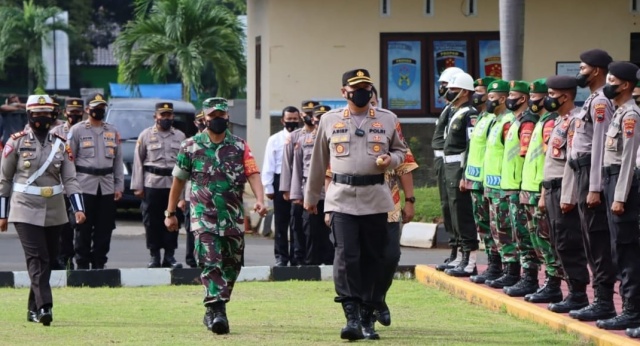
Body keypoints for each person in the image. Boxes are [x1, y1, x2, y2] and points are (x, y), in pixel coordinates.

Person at [304, 68, 407, 341]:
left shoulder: (387, 118)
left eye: (366, 87)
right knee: (346, 257)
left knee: (375, 257)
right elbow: (318, 161)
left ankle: (368, 316)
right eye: (356, 87)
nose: (362, 92)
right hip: (341, 197)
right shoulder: (329, 120)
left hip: (376, 197)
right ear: (344, 92)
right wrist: (312, 197)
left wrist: (391, 160)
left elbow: (401, 151)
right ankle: (351, 316)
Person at [164, 97, 267, 335]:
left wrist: (260, 199)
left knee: (232, 265)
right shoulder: (190, 146)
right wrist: (170, 212)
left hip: (232, 217)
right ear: (204, 118)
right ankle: (218, 310)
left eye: (221, 115)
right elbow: (178, 180)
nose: (217, 120)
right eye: (212, 116)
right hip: (203, 216)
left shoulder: (240, 146)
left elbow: (253, 174)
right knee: (211, 262)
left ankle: (213, 308)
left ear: (227, 117)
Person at [0, 94, 86, 326]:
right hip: (24, 208)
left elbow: (70, 179)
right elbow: (4, 180)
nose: (42, 118)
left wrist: (78, 208)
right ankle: (45, 307)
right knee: (38, 257)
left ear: (53, 115)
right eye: (37, 113)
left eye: (46, 113)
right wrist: (2, 213)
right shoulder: (15, 142)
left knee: (47, 258)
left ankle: (32, 309)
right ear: (29, 115)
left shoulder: (61, 143)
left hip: (54, 209)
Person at [561, 49, 617, 322]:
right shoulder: (592, 100)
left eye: (582, 68)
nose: (579, 72)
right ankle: (598, 300)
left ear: (596, 70)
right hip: (581, 173)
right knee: (588, 240)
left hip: (591, 174)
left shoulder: (601, 103)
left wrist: (595, 187)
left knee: (597, 240)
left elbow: (599, 148)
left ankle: (604, 302)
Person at [368, 86, 418, 327]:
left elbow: (405, 164)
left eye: (373, 100)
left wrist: (410, 200)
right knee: (361, 259)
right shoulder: (343, 125)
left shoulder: (390, 124)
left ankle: (378, 298)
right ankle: (363, 309)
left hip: (389, 205)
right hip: (357, 206)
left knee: (390, 256)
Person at [595, 62, 640, 331]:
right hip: (612, 180)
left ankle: (633, 311)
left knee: (626, 250)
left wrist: (620, 196)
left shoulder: (631, 115)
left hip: (624, 184)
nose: (606, 84)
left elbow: (629, 160)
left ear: (624, 85)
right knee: (617, 249)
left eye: (611, 80)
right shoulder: (618, 113)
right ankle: (628, 309)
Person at [541, 75, 591, 314]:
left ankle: (578, 294)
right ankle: (571, 290)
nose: (548, 99)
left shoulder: (574, 122)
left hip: (564, 188)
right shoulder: (559, 121)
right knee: (557, 243)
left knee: (568, 242)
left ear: (566, 95)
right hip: (551, 187)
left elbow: (572, 161)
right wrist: (543, 194)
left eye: (552, 95)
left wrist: (568, 196)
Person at [519, 79, 564, 303]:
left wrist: (544, 191)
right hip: (529, 188)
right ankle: (547, 281)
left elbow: (550, 157)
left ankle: (554, 283)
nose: (532, 102)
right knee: (536, 240)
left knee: (546, 239)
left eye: (537, 97)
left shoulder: (549, 123)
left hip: (539, 188)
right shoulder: (541, 120)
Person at [68, 93, 124, 270]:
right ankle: (82, 264)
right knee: (82, 227)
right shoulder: (77, 130)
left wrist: (119, 185)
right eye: (95, 107)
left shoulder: (112, 130)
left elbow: (118, 160)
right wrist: (72, 188)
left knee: (104, 228)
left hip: (106, 186)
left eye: (102, 107)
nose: (99, 110)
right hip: (84, 185)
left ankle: (100, 262)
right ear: (87, 109)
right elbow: (69, 160)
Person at [132, 102, 186, 269]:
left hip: (173, 185)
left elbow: (185, 166)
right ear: (155, 116)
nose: (166, 118)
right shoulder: (145, 135)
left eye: (169, 115)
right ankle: (154, 256)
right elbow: (138, 161)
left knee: (174, 220)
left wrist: (183, 195)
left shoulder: (180, 137)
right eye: (162, 115)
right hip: (152, 184)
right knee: (152, 221)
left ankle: (170, 256)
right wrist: (138, 186)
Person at [436, 72, 479, 277]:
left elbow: (470, 146)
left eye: (453, 89)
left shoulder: (469, 114)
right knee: (452, 211)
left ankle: (469, 259)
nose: (449, 91)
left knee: (462, 213)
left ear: (464, 92)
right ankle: (459, 255)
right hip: (448, 166)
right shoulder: (454, 111)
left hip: (459, 168)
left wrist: (465, 174)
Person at [463, 76, 502, 284]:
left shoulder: (496, 120)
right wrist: (466, 176)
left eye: (481, 92)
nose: (477, 95)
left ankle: (498, 266)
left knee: (496, 227)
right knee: (483, 226)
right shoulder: (482, 118)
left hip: (490, 181)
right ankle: (492, 264)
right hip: (475, 179)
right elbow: (473, 150)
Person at [482, 80, 519, 289]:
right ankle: (499, 268)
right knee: (495, 229)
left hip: (502, 184)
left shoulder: (507, 122)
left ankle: (511, 271)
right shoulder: (495, 120)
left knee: (505, 229)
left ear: (503, 99)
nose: (487, 100)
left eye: (492, 97)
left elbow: (510, 155)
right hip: (491, 183)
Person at [290, 104, 334, 265]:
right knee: (310, 232)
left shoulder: (339, 138)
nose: (320, 122)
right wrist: (296, 195)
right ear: (313, 119)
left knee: (332, 232)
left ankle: (332, 263)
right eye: (318, 118)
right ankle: (311, 265)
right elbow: (297, 169)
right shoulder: (303, 140)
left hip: (334, 193)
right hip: (312, 194)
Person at [279, 100, 320, 264]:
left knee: (315, 229)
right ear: (302, 115)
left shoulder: (323, 134)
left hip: (320, 190)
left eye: (313, 114)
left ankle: (315, 259)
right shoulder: (294, 137)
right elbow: (288, 165)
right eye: (307, 114)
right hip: (299, 189)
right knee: (297, 227)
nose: (309, 117)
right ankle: (298, 259)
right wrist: (288, 189)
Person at [432, 66, 465, 271]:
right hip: (442, 161)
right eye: (443, 86)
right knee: (447, 206)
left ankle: (460, 252)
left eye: (447, 86)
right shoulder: (448, 108)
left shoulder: (460, 111)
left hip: (453, 162)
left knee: (456, 208)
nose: (443, 90)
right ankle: (454, 250)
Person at [263, 106, 302, 266]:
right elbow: (268, 164)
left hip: (298, 181)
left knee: (297, 223)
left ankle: (296, 257)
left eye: (295, 119)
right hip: (279, 182)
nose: (292, 122)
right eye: (289, 119)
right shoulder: (275, 139)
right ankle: (281, 257)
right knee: (281, 223)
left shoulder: (302, 137)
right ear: (282, 120)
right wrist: (268, 187)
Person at [51, 97, 85, 270]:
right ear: (65, 113)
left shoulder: (87, 131)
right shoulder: (56, 131)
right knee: (62, 226)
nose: (74, 115)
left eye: (78, 112)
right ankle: (63, 259)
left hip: (82, 185)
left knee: (79, 224)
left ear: (83, 112)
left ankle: (79, 260)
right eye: (71, 112)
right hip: (59, 186)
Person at [183, 111, 206, 268]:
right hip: (191, 192)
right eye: (200, 121)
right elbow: (180, 176)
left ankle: (206, 260)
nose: (203, 123)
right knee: (191, 228)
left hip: (210, 194)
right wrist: (179, 200)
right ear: (195, 123)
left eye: (206, 120)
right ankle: (191, 260)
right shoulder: (189, 144)